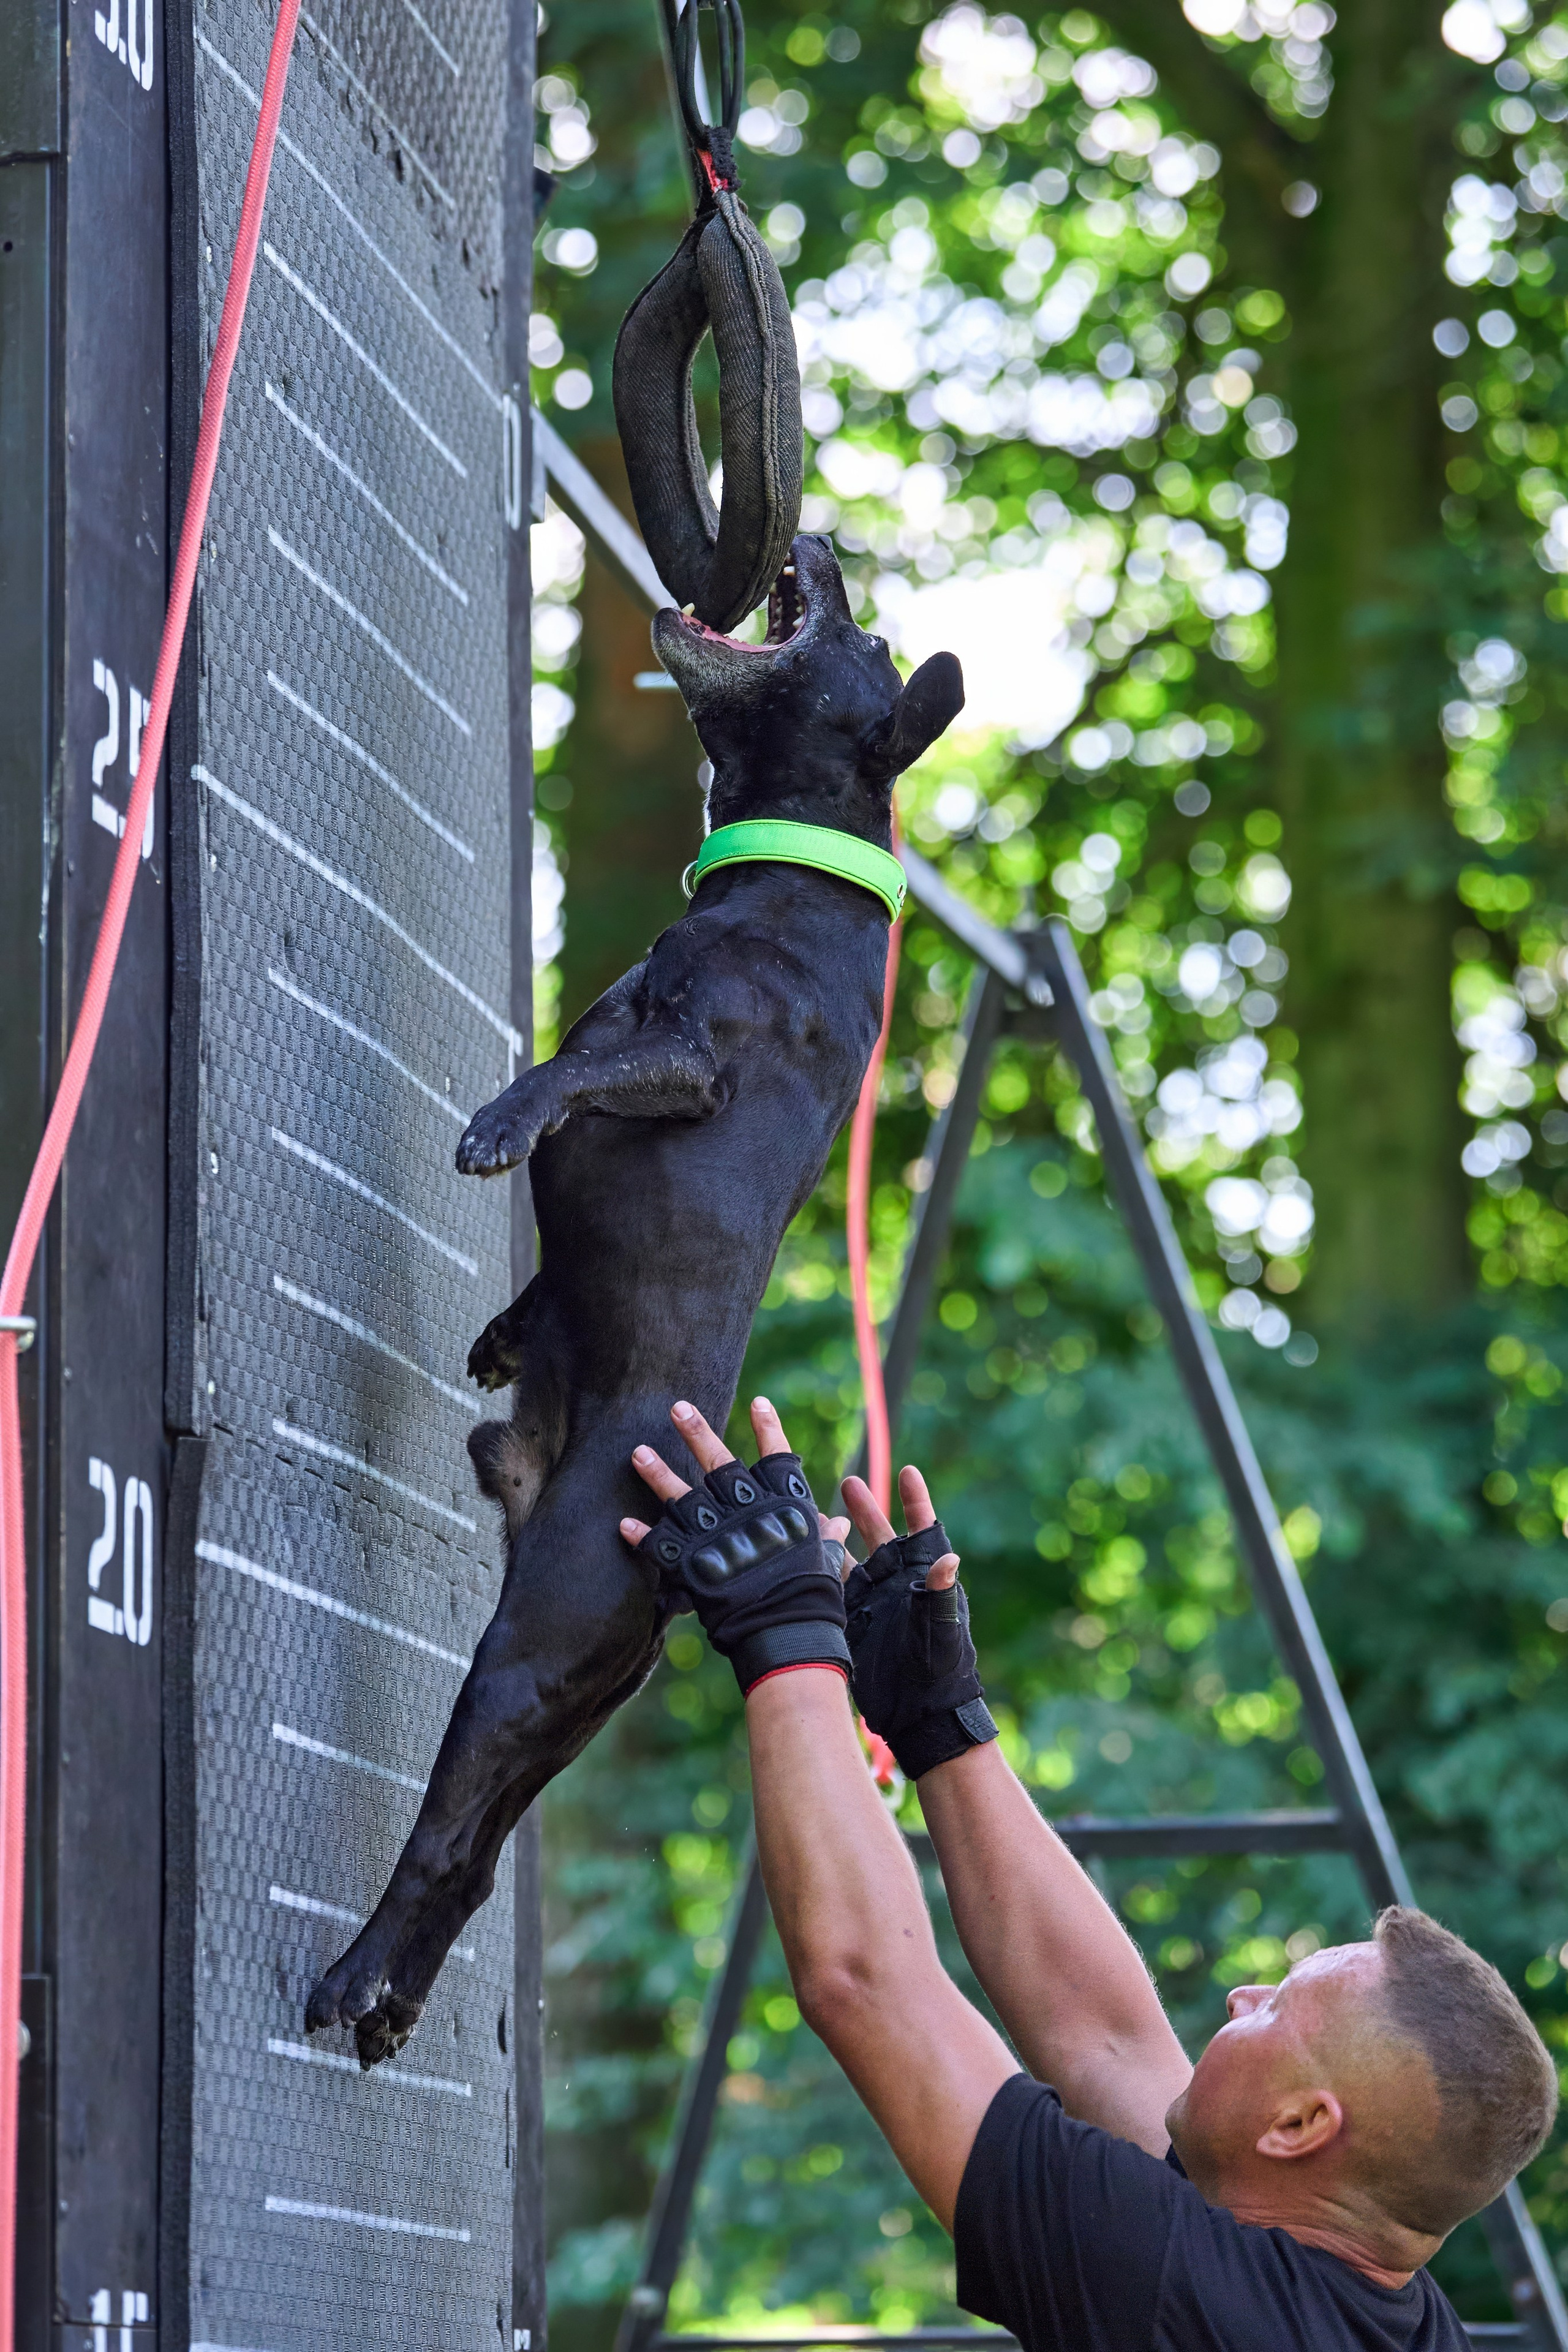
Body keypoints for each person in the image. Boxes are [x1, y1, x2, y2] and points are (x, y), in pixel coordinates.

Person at [620, 1395, 1560, 2352]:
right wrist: (943, 1728)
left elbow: (863, 1981)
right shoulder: (1375, 2300)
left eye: (1277, 2007)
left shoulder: (1181, 2302)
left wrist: (786, 1630)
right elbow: (1103, 2042)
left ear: (1302, 2125)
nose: (1242, 1995)